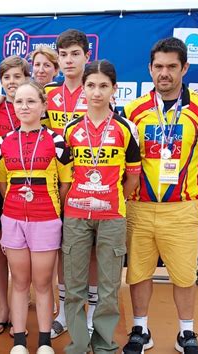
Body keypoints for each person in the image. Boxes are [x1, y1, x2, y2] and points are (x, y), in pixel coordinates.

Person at [121, 37, 198, 354]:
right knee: (138, 272)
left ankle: (186, 333)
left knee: (183, 275)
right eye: (158, 66)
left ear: (185, 68)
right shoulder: (132, 110)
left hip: (181, 209)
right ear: (150, 69)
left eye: (171, 66)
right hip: (139, 207)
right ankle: (140, 328)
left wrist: (195, 187)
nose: (164, 73)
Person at [62, 60, 141, 354]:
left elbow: (132, 177)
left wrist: (110, 197)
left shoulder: (125, 128)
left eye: (103, 86)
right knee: (74, 286)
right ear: (83, 89)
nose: (97, 92)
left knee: (109, 287)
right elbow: (66, 177)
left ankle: (105, 344)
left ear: (114, 89)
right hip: (76, 214)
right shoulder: (70, 130)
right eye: (91, 85)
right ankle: (78, 344)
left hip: (112, 215)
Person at [0, 81, 73, 354]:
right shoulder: (3, 143)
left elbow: (65, 184)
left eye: (31, 101)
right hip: (13, 217)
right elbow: (3, 183)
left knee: (41, 283)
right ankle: (18, 341)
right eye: (19, 102)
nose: (24, 107)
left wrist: (45, 207)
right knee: (19, 282)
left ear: (43, 106)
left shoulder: (58, 141)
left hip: (46, 219)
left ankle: (43, 342)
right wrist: (16, 205)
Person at [45, 29, 99, 341]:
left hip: (90, 184)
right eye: (63, 54)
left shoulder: (95, 91)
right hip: (57, 187)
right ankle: (64, 312)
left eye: (75, 54)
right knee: (64, 251)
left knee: (90, 251)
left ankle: (91, 312)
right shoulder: (48, 96)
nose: (68, 60)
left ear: (86, 57)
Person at [0, 56, 30, 337]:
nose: (12, 82)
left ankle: (21, 303)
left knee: (27, 252)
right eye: (6, 78)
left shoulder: (36, 107)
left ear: (27, 78)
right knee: (1, 251)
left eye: (17, 77)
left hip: (30, 187)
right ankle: (4, 309)